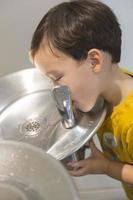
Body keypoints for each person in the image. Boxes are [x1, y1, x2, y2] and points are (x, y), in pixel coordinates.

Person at [29, 0, 133, 199]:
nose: (56, 89)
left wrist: (106, 166)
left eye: (57, 77)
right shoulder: (109, 85)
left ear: (94, 61)